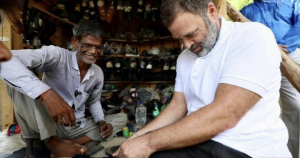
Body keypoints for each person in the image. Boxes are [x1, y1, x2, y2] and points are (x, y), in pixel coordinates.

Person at [113, 0, 291, 157]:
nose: (187, 45)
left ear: (211, 12)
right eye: (180, 38)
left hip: (247, 148)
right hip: (196, 142)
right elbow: (177, 106)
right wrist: (137, 138)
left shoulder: (252, 36)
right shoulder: (185, 57)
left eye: (191, 34)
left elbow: (225, 115)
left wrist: (148, 142)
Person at [0, 19, 127, 157]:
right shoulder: (57, 56)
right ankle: (53, 142)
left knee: (121, 118)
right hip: (50, 124)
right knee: (20, 84)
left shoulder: (97, 72)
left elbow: (94, 102)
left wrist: (101, 121)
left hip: (76, 126)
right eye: (88, 45)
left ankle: (71, 142)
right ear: (75, 42)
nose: (93, 51)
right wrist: (46, 94)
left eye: (98, 47)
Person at [241, 1, 300, 157]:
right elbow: (241, 35)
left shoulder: (293, 3)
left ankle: (293, 153)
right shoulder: (246, 10)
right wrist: (269, 47)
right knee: (256, 108)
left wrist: (281, 47)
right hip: (260, 58)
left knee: (296, 107)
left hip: (291, 56)